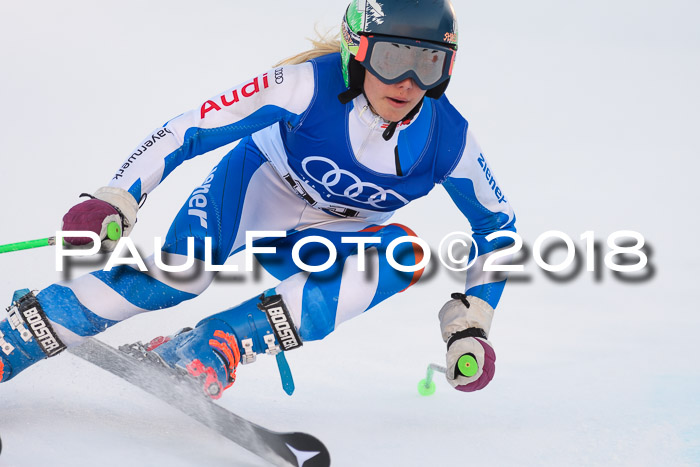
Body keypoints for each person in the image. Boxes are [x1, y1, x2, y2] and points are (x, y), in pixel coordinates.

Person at [0, 0, 516, 398]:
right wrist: (116, 197)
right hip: (257, 188)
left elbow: (498, 229)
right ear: (357, 47)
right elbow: (193, 128)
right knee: (178, 276)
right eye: (391, 57)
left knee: (405, 255)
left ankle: (218, 344)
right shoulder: (306, 84)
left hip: (330, 237)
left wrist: (470, 323)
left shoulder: (448, 140)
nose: (407, 83)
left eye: (429, 63)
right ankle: (16, 339)